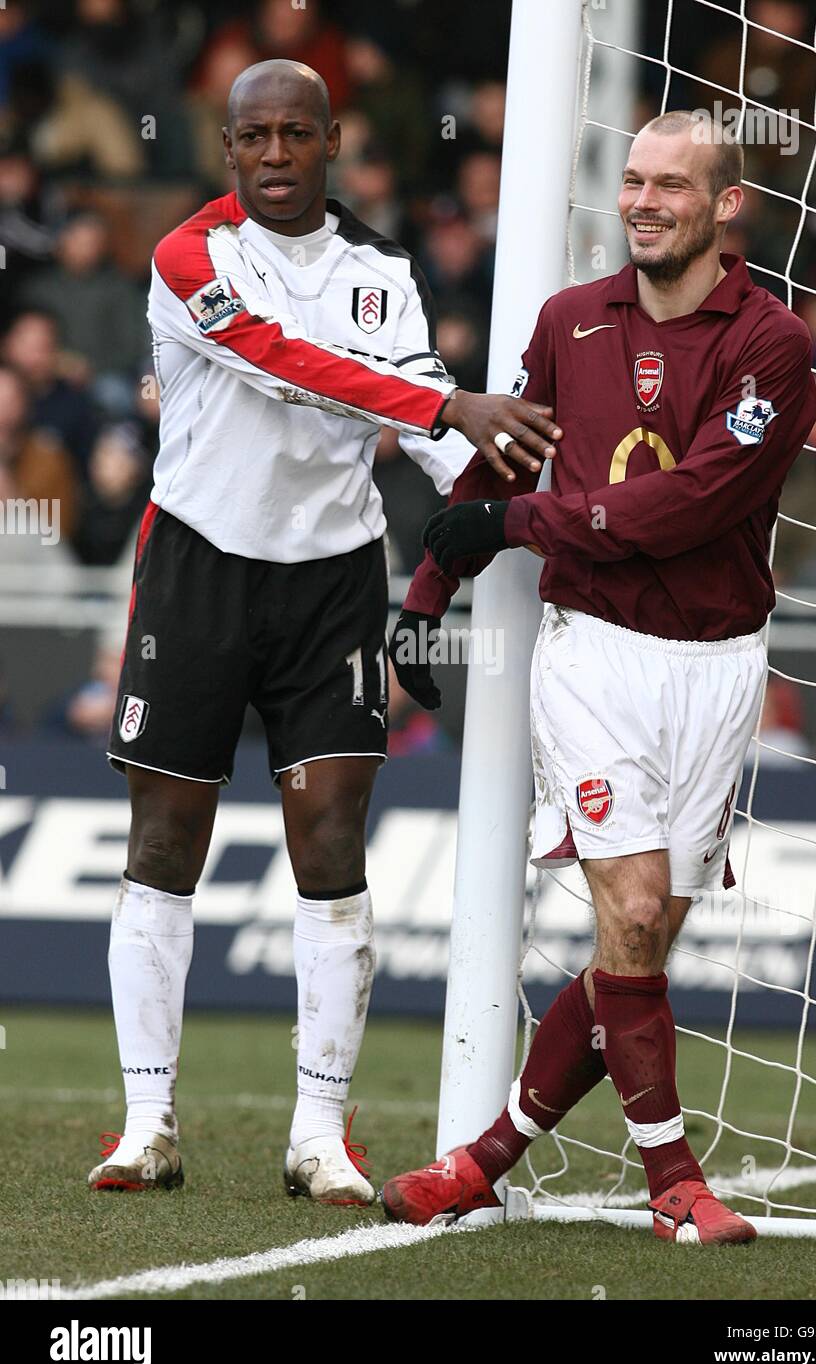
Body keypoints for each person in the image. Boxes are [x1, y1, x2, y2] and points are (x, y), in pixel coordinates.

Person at [88, 59, 561, 1202]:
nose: (276, 155)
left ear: (331, 139)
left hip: (332, 583)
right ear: (227, 146)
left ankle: (319, 1136)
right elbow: (287, 368)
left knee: (333, 847)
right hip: (197, 568)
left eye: (298, 134)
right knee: (162, 842)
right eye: (255, 136)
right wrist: (446, 408)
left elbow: (422, 414)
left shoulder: (380, 271)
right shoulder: (186, 257)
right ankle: (146, 1121)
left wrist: (526, 489)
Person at [384, 110, 816, 1245]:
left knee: (636, 946)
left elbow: (690, 506)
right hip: (593, 655)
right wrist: (426, 591)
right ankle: (672, 1178)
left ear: (724, 205)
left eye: (669, 185)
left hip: (718, 667)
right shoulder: (569, 320)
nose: (640, 201)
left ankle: (485, 1159)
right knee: (626, 909)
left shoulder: (770, 345)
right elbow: (507, 454)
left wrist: (515, 522)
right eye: (631, 180)